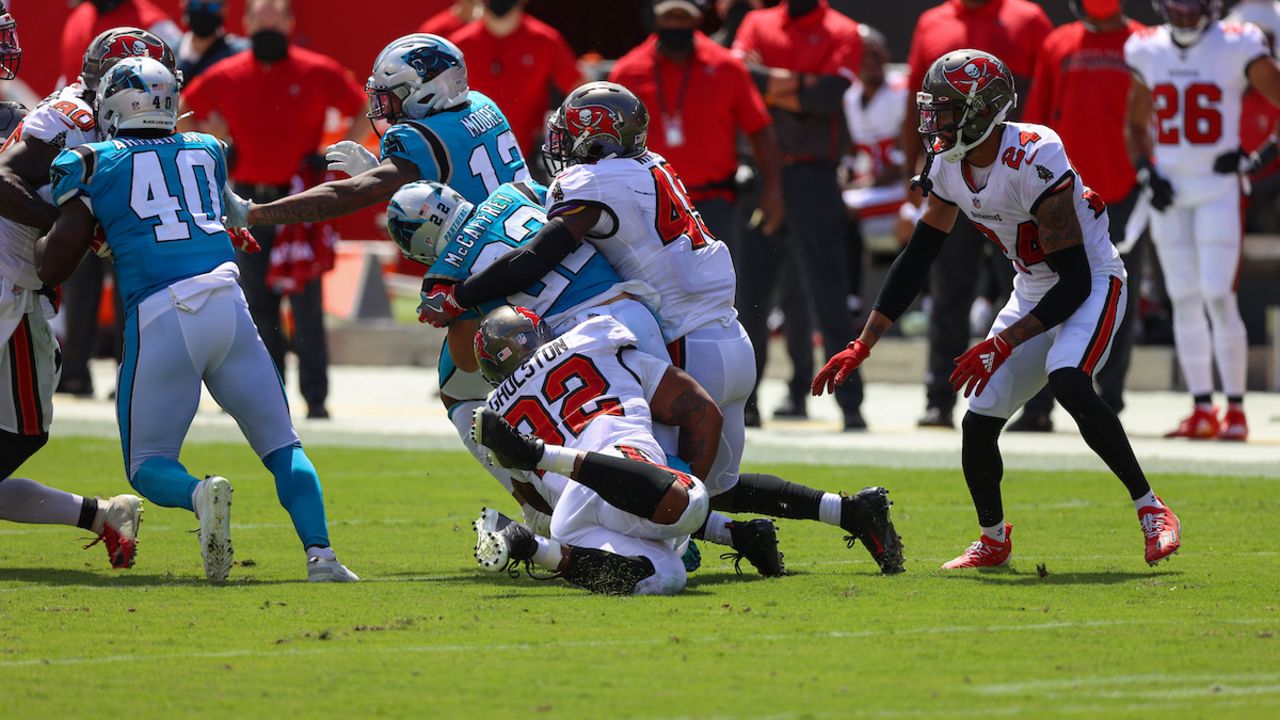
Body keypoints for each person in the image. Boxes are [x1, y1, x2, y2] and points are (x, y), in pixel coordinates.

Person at [418, 83, 904, 574]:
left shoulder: (589, 183)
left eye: (569, 135)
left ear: (597, 137)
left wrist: (462, 292)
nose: (560, 146)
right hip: (730, 338)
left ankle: (651, 556)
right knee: (717, 486)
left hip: (684, 339)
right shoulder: (652, 166)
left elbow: (537, 255)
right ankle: (850, 511)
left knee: (657, 486)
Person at [815, 50, 1182, 569]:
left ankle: (1153, 509)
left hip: (1094, 281)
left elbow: (1075, 279)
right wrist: (863, 342)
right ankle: (993, 538)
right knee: (979, 420)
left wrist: (1002, 342)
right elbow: (919, 255)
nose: (934, 122)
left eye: (946, 109)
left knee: (1069, 379)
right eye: (932, 108)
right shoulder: (945, 164)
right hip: (1031, 286)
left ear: (983, 110)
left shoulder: (1035, 153)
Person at [38, 57, 357, 583]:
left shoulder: (91, 161)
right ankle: (322, 557)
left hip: (163, 312)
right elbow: (226, 211)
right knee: (283, 446)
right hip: (228, 304)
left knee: (146, 465)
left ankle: (196, 494)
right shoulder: (207, 150)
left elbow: (58, 255)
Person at [469, 306, 781, 591]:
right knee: (691, 503)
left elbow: (537, 503)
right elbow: (702, 410)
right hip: (620, 456)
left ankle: (531, 546)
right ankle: (540, 453)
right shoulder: (589, 339)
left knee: (668, 576)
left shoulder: (496, 410)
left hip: (570, 515)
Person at [0, 6, 142, 569]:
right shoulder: (69, 117)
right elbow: (6, 177)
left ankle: (100, 514)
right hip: (11, 288)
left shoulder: (102, 125)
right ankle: (102, 513)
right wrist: (62, 225)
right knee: (20, 434)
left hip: (22, 286)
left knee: (22, 435)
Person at [180, 0, 369, 420]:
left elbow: (364, 107)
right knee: (254, 304)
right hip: (248, 200)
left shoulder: (316, 69)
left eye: (274, 22)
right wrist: (214, 143)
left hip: (302, 197)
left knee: (305, 299)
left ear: (289, 24)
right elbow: (183, 113)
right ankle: (268, 394)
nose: (267, 30)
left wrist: (332, 155)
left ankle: (315, 397)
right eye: (259, 23)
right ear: (245, 25)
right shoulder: (228, 72)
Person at [1125, 0, 1280, 440]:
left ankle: (1235, 408)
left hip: (1218, 190)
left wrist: (1261, 156)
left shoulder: (1237, 43)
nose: (1185, 13)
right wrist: (1145, 172)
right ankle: (1200, 407)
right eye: (1178, 4)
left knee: (1216, 295)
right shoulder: (1147, 49)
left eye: (1193, 4)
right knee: (1184, 298)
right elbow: (1134, 125)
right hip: (1171, 194)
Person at [900, 0, 1053, 429]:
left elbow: (1044, 91)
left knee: (1028, 284)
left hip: (1018, 176)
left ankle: (1038, 405)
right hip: (955, 169)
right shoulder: (932, 20)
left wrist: (1039, 167)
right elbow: (918, 99)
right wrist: (915, 172)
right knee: (948, 290)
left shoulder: (1027, 18)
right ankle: (939, 396)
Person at [1013, 0, 1147, 430]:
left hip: (1126, 187)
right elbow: (1035, 120)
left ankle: (1110, 402)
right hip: (1061, 194)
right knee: (1052, 291)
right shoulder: (1058, 42)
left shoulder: (1145, 43)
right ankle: (1038, 407)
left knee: (1119, 291)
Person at [732, 0, 865, 427]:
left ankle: (851, 405)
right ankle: (745, 402)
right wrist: (799, 88)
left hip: (814, 172)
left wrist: (771, 85)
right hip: (761, 170)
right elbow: (743, 80)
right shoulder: (757, 21)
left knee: (827, 291)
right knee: (750, 290)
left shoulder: (842, 29)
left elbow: (828, 97)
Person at [608, 0, 784, 261]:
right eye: (670, 17)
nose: (676, 25)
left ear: (697, 19)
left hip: (715, 203)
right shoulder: (627, 71)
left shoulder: (727, 67)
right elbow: (612, 141)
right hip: (650, 205)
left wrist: (772, 191)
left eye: (683, 18)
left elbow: (759, 129)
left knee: (718, 288)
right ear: (655, 18)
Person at [449, 0, 587, 161]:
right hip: (471, 154)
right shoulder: (459, 44)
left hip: (530, 156)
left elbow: (581, 90)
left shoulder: (544, 40)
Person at [59, 0, 181, 86]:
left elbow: (178, 78)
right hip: (79, 117)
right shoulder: (76, 18)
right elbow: (68, 77)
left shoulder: (154, 27)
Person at [175, 0, 249, 81]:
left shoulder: (240, 54)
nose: (202, 12)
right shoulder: (168, 54)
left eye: (213, 7)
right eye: (195, 4)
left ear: (224, 9)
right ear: (184, 4)